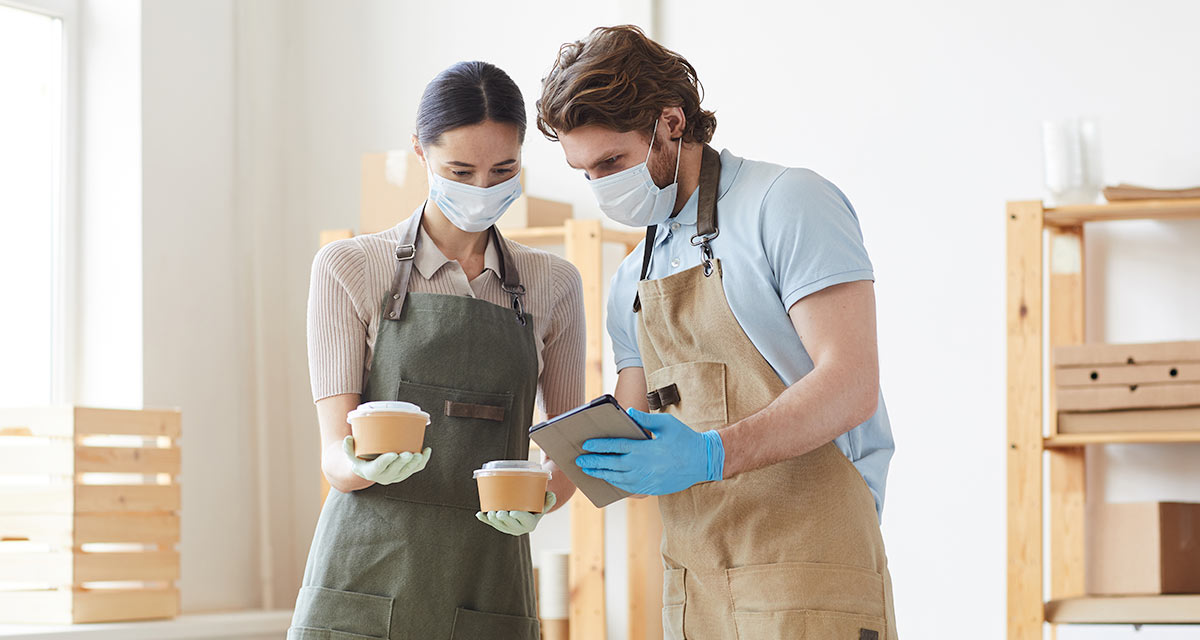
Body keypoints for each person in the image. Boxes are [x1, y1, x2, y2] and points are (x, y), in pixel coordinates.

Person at [537, 26, 898, 639]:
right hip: (695, 590)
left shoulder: (786, 204)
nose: (600, 187)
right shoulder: (631, 280)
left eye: (612, 163)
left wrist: (711, 454)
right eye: (585, 172)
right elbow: (629, 436)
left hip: (808, 577)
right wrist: (543, 489)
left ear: (671, 122)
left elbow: (851, 382)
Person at [290, 61, 584, 640]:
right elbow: (332, 456)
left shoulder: (554, 283)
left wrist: (543, 498)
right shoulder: (350, 268)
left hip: (488, 578)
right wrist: (360, 465)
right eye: (460, 171)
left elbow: (567, 449)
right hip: (365, 573)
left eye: (503, 170)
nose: (482, 188)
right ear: (420, 152)